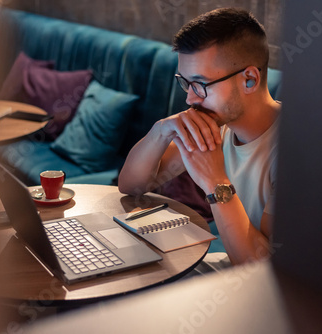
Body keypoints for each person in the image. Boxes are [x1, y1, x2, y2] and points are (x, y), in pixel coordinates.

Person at [118, 7, 280, 266]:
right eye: (185, 82)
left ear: (249, 79)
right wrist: (160, 130)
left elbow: (262, 269)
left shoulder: (294, 150)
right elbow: (132, 187)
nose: (190, 98)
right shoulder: (216, 124)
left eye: (200, 84)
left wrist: (216, 183)